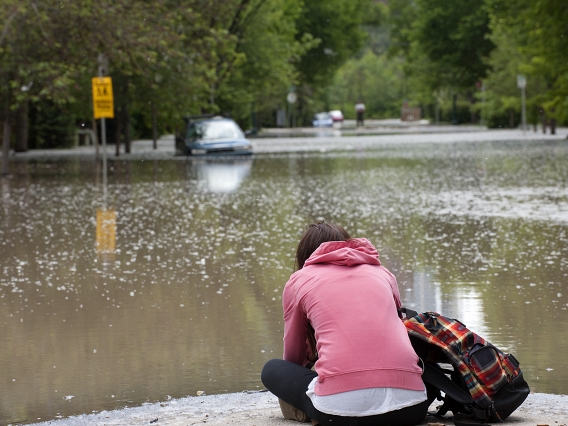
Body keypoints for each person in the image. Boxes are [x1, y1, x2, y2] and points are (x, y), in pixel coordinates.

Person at [261, 222, 428, 426]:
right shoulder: (384, 274)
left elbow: (293, 357)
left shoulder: (299, 281)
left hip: (340, 413)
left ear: (305, 254)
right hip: (412, 408)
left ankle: (310, 408)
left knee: (272, 369)